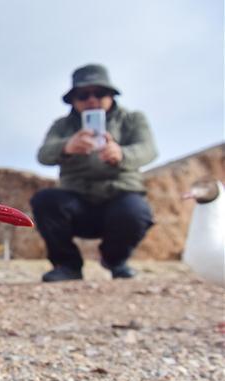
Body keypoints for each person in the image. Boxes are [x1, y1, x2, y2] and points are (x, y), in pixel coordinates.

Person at [31, 64, 158, 282]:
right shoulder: (62, 126)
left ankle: (115, 260)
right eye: (83, 95)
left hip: (120, 199)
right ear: (73, 100)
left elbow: (149, 149)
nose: (91, 99)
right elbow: (43, 155)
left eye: (99, 93)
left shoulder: (133, 119)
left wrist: (122, 154)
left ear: (111, 95)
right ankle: (67, 266)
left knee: (136, 211)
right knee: (45, 201)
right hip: (77, 203)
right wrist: (66, 146)